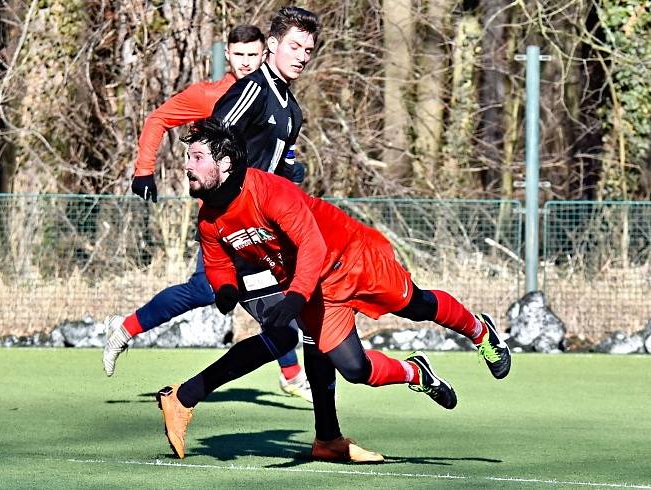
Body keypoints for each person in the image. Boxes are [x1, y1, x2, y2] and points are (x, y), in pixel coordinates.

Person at [155, 119, 512, 461]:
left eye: (197, 158)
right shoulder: (208, 219)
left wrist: (294, 296)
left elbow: (312, 246)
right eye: (188, 157)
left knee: (416, 306)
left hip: (352, 258)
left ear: (226, 162)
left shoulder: (271, 192)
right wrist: (226, 290)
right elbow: (218, 263)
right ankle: (416, 373)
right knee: (355, 370)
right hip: (314, 289)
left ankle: (480, 332)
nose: (188, 166)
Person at [102, 23, 311, 402]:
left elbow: (278, 149)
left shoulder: (277, 98)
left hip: (259, 213)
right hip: (225, 216)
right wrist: (144, 169)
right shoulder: (214, 96)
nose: (247, 61)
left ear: (265, 53)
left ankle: (292, 372)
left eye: (253, 54)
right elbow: (158, 120)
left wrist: (289, 170)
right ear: (226, 56)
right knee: (211, 287)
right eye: (239, 55)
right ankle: (129, 330)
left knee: (272, 283)